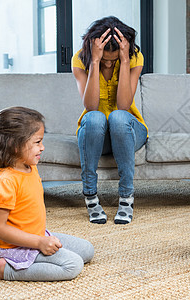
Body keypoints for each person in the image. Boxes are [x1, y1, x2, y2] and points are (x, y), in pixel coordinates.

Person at [0, 106, 94, 281]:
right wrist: (39, 243)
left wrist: (41, 240)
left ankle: (31, 259)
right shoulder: (4, 181)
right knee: (72, 265)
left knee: (87, 250)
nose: (42, 147)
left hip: (36, 237)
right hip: (12, 248)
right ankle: (4, 269)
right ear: (14, 145)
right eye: (37, 142)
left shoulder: (30, 168)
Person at [72, 16, 148, 225]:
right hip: (96, 134)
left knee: (117, 116)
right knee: (94, 117)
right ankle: (90, 196)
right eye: (104, 59)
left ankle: (126, 197)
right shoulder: (81, 59)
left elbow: (123, 105)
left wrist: (123, 61)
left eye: (111, 60)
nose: (108, 63)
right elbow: (91, 106)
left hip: (129, 130)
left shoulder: (133, 58)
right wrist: (95, 62)